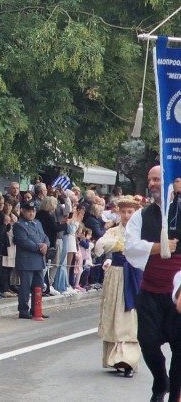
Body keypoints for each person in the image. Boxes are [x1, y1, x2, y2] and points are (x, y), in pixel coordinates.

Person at [125, 165, 181, 402]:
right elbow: (130, 246)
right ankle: (160, 382)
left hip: (178, 294)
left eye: (157, 179)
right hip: (150, 291)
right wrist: (158, 247)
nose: (152, 184)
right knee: (147, 342)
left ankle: (174, 396)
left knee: (180, 351)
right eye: (150, 180)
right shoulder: (142, 215)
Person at [95, 195, 142, 378]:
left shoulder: (141, 232)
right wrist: (116, 245)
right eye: (123, 212)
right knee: (115, 314)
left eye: (130, 212)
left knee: (129, 317)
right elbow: (99, 246)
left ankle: (128, 360)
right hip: (117, 276)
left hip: (135, 276)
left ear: (136, 213)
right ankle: (115, 357)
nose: (126, 215)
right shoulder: (114, 232)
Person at [12, 200, 50, 319]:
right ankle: (23, 310)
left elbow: (45, 237)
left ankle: (36, 309)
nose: (31, 214)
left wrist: (46, 245)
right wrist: (39, 247)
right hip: (27, 260)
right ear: (23, 211)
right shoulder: (19, 225)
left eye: (33, 211)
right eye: (28, 211)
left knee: (38, 286)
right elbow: (23, 241)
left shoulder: (38, 223)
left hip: (38, 259)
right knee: (25, 287)